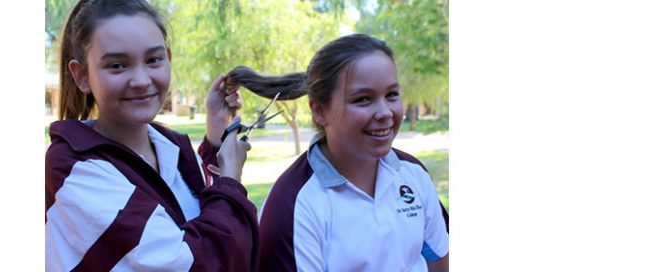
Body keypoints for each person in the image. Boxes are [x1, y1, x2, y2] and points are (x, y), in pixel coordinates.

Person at [44, 0, 257, 271]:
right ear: (82, 75)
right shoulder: (73, 169)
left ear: (168, 57)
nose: (142, 79)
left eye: (153, 60)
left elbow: (199, 211)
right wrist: (231, 181)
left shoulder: (171, 147)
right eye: (117, 65)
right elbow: (191, 263)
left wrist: (215, 135)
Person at [226, 33, 449, 272]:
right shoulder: (292, 206)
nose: (385, 112)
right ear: (320, 110)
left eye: (392, 94)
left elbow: (439, 259)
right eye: (363, 99)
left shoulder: (413, 173)